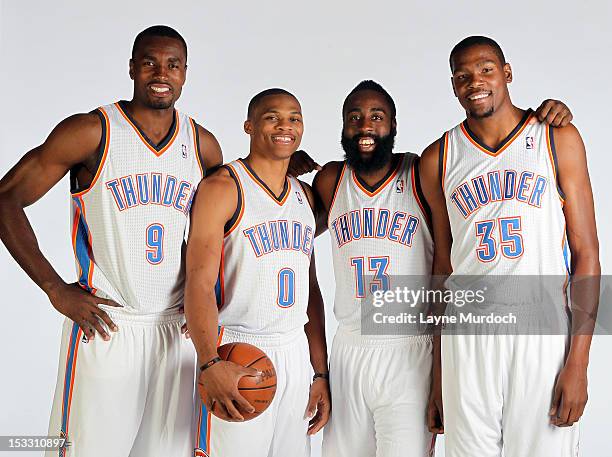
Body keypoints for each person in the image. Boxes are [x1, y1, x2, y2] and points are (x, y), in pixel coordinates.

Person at [289, 81, 573, 457]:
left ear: (394, 124)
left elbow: (451, 255)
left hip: (411, 345)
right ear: (342, 126)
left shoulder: (420, 172)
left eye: (377, 116)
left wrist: (545, 115)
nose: (365, 126)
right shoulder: (331, 179)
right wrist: (283, 170)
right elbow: (291, 230)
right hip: (350, 346)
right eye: (354, 118)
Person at [0, 25, 223, 456]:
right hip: (107, 325)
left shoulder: (202, 144)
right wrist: (54, 288)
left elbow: (229, 224)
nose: (161, 73)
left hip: (176, 332)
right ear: (132, 68)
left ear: (185, 73)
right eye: (150, 63)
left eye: (172, 65)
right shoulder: (92, 131)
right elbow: (7, 199)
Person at [420, 36, 599, 457]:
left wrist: (579, 363)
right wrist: (438, 377)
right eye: (463, 76)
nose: (475, 82)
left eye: (486, 70)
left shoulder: (557, 138)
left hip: (541, 332)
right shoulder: (438, 158)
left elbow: (586, 254)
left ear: (507, 73)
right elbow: (442, 267)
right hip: (468, 338)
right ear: (453, 85)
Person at [184, 88, 330, 457]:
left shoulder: (304, 196)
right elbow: (199, 283)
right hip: (237, 348)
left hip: (294, 353)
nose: (286, 126)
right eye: (272, 117)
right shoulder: (223, 188)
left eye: (294, 118)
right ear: (249, 126)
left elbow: (310, 289)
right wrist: (209, 361)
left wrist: (319, 372)